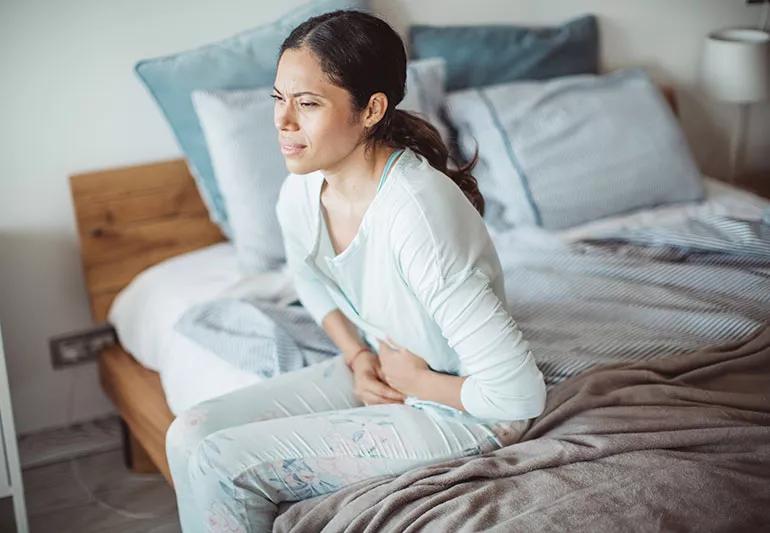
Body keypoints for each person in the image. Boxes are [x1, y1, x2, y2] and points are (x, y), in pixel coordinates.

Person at [165, 9, 546, 532]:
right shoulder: (303, 186)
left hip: (467, 409)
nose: (283, 121)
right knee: (190, 433)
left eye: (308, 103)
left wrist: (416, 380)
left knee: (223, 464)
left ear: (371, 109)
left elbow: (519, 396)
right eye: (278, 98)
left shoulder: (417, 212)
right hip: (394, 372)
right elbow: (309, 279)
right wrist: (358, 355)